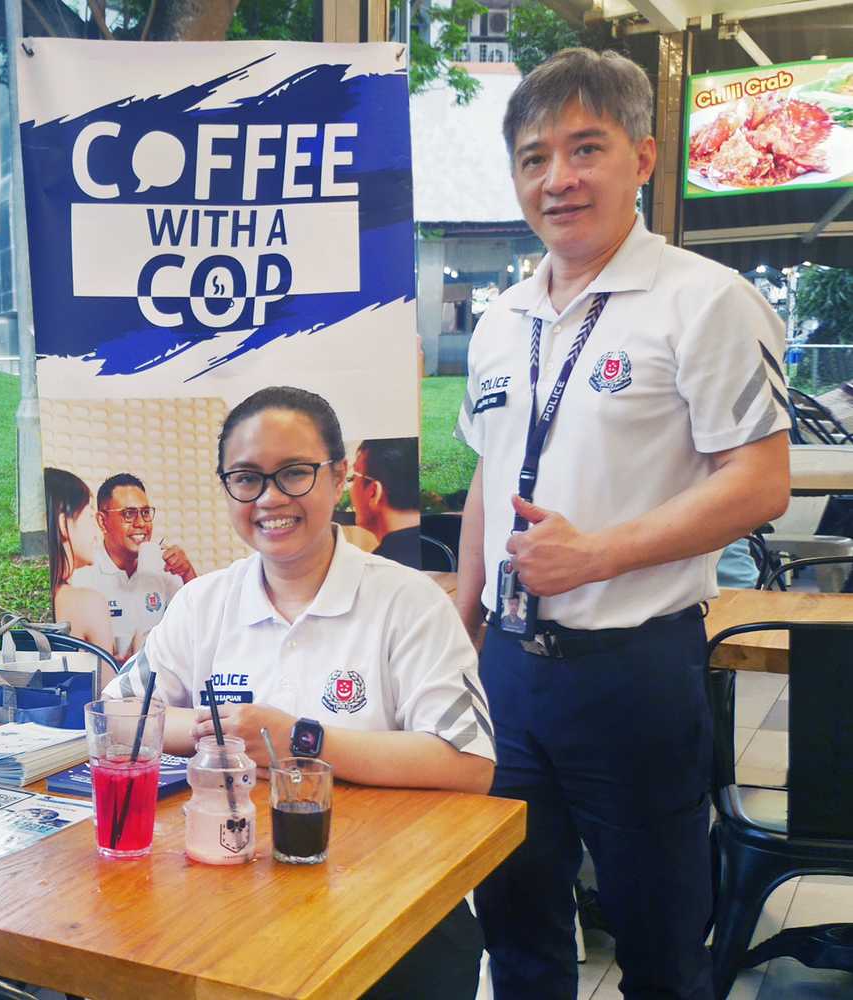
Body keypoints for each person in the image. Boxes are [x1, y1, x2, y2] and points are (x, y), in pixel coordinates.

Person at [454, 49, 790, 1000]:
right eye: (533, 158)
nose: (557, 178)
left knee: (660, 945)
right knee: (517, 933)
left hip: (634, 670)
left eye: (585, 148)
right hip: (509, 675)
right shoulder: (501, 318)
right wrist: (464, 621)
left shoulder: (705, 299)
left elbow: (760, 482)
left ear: (642, 158)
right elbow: (487, 472)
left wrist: (595, 554)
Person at [105, 386, 494, 1000]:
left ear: (339, 477)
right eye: (246, 478)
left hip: (391, 912)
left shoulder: (408, 601)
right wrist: (221, 736)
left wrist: (299, 741)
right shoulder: (204, 603)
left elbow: (468, 764)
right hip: (232, 902)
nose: (270, 498)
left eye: (294, 473)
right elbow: (117, 715)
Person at [72, 473, 198, 660]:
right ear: (102, 521)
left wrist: (187, 573)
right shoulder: (82, 576)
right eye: (129, 514)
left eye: (145, 513)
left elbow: (198, 624)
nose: (141, 523)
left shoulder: (164, 566)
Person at [44, 468, 116, 667]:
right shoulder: (89, 603)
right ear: (63, 523)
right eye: (91, 516)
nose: (97, 531)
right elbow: (107, 685)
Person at [348, 437, 422, 567]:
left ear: (373, 492)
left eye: (353, 478)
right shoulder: (442, 548)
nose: (350, 489)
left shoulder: (376, 570)